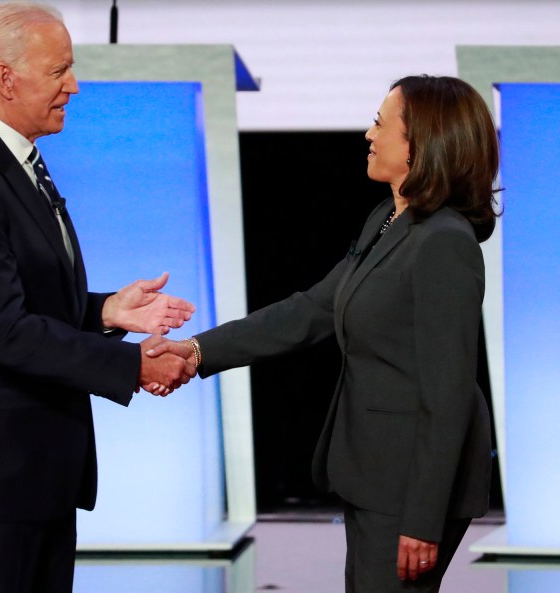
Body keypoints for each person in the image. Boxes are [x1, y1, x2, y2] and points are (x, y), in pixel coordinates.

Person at [149, 75, 499, 591]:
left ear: (420, 143)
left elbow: (448, 396)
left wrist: (422, 520)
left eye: (381, 123)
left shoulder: (444, 243)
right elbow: (311, 310)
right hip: (374, 474)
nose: (368, 134)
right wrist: (198, 351)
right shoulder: (390, 219)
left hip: (408, 487)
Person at [0, 3, 197, 592]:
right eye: (59, 70)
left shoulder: (16, 167)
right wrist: (130, 365)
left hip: (32, 472)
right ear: (7, 77)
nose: (75, 85)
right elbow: (5, 331)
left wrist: (106, 311)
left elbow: (21, 301)